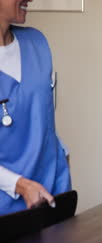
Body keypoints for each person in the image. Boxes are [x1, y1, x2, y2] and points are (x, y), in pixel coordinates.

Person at [0, 0, 71, 215]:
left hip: (51, 193)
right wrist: (20, 185)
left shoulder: (37, 42)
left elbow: (43, 116)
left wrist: (62, 155)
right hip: (7, 207)